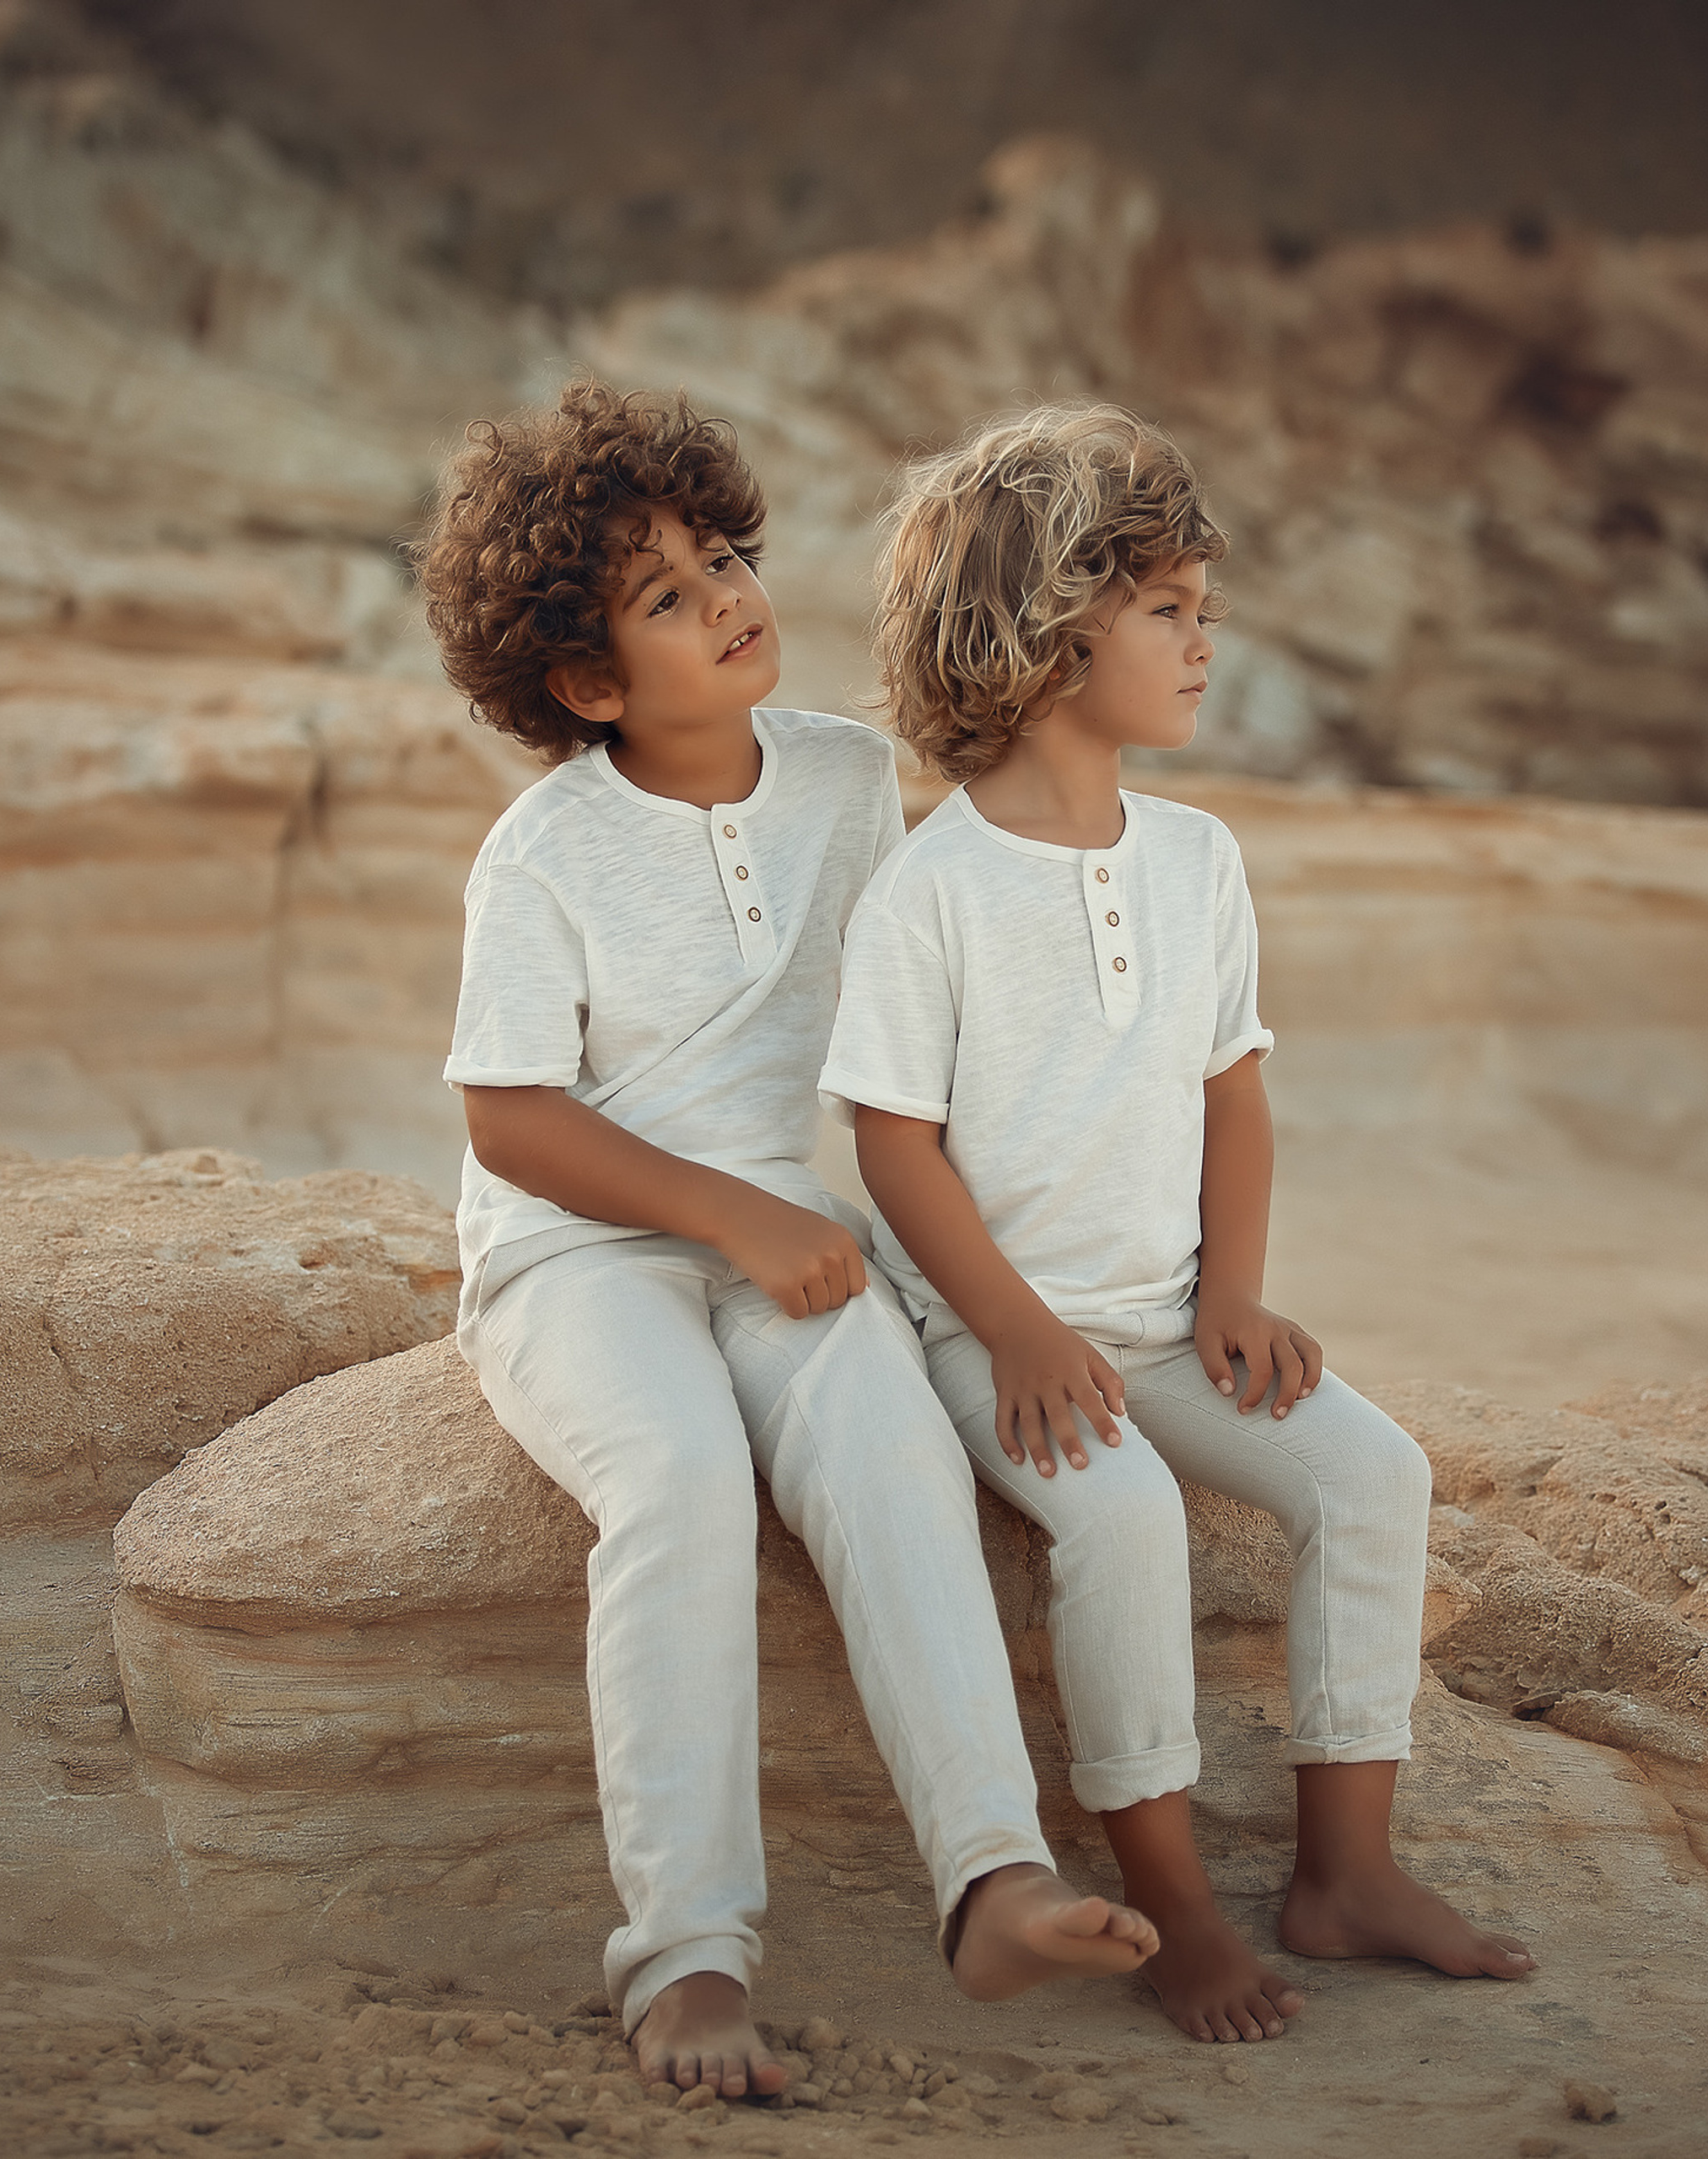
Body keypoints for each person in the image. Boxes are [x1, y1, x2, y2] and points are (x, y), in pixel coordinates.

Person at [418, 380, 1158, 2100]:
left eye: (725, 557)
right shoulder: (541, 854)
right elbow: (509, 1118)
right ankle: (685, 1958)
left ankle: (993, 1876)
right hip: (571, 1256)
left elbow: (920, 1013)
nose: (727, 597)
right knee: (679, 1477)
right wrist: (735, 1211)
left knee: (893, 1448)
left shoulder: (838, 776)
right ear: (586, 683)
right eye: (664, 595)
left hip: (787, 1241)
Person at [820, 404, 1536, 2045]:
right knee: (1126, 1520)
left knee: (1374, 1473)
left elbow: (1235, 1095)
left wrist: (1236, 1292)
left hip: (1165, 1321)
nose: (1206, 642)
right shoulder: (931, 890)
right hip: (996, 1338)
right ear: (1049, 629)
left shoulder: (1200, 861)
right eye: (1168, 610)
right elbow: (893, 1143)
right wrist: (1014, 1332)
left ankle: (1346, 1871)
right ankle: (1175, 1903)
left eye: (1204, 608)